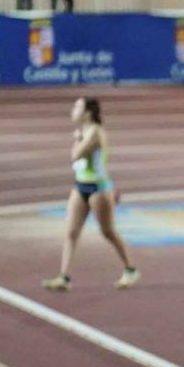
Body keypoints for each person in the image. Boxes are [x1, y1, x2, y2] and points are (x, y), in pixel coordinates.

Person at [42, 98, 138, 293]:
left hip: (99, 188)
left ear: (88, 112)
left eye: (77, 106)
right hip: (80, 186)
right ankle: (64, 277)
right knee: (71, 232)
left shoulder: (94, 132)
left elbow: (75, 155)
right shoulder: (84, 132)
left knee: (108, 232)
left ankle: (131, 269)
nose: (73, 110)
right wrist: (78, 138)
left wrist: (77, 139)